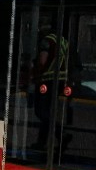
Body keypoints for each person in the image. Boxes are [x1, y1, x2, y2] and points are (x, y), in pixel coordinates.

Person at [32, 26, 74, 156]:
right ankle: (41, 142)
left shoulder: (46, 41)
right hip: (60, 82)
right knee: (48, 112)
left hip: (46, 81)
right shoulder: (64, 42)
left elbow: (43, 61)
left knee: (40, 111)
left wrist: (34, 71)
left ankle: (61, 134)